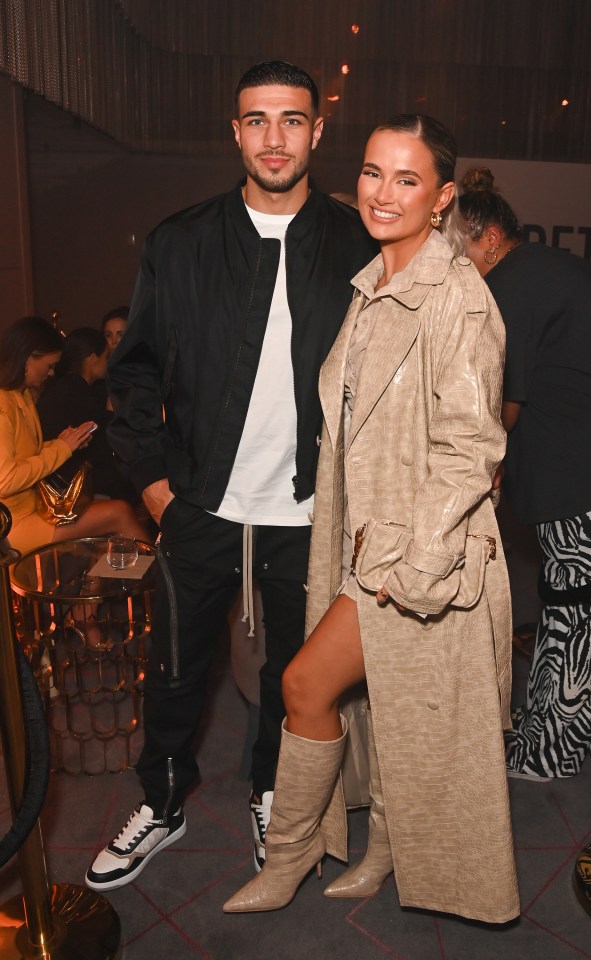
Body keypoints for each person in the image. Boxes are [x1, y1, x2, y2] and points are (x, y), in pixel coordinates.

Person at [85, 60, 378, 892]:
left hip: (311, 510)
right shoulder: (180, 242)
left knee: (293, 678)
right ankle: (165, 802)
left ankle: (273, 796)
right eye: (257, 120)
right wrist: (154, 491)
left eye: (292, 120)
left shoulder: (360, 243)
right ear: (236, 131)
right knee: (174, 671)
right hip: (198, 504)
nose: (274, 138)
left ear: (318, 131)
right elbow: (132, 375)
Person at [223, 115, 519, 922]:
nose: (382, 193)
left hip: (419, 552)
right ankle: (382, 845)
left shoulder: (455, 297)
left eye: (407, 179)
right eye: (372, 172)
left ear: (442, 197)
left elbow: (471, 449)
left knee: (303, 682)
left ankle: (286, 862)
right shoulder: (375, 285)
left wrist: (410, 568)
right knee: (387, 704)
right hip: (360, 538)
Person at [459, 167, 591, 780]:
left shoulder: (510, 287)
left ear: (485, 237)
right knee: (582, 612)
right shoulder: (545, 268)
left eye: (456, 246)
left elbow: (501, 410)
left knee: (579, 616)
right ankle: (560, 739)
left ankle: (549, 754)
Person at [0, 316, 148, 559]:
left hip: (35, 509)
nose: (50, 374)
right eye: (49, 366)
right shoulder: (4, 404)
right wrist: (61, 448)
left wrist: (64, 442)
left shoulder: (21, 396)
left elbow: (25, 455)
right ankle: (168, 585)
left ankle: (101, 588)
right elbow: (6, 480)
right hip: (15, 525)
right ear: (28, 358)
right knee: (120, 512)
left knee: (110, 535)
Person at [37, 327, 137, 503]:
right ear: (92, 359)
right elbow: (100, 447)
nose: (108, 362)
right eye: (106, 357)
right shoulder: (76, 391)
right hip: (66, 488)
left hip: (60, 480)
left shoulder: (67, 387)